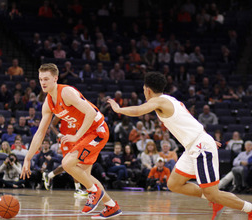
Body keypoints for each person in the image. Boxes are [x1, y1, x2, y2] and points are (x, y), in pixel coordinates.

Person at [108, 71, 252, 219]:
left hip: (200, 146)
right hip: (194, 145)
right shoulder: (169, 99)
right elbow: (189, 119)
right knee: (174, 184)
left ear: (148, 89)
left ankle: (249, 209)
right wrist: (205, 136)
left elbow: (138, 110)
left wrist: (118, 109)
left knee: (213, 193)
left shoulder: (158, 101)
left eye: (144, 89)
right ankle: (214, 200)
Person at [20, 63, 122, 219]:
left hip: (98, 131)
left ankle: (94, 191)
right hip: (86, 134)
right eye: (40, 79)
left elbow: (90, 112)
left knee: (67, 163)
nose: (43, 82)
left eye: (46, 79)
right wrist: (28, 158)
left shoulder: (66, 92)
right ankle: (111, 206)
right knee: (85, 176)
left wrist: (76, 136)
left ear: (55, 78)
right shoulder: (48, 103)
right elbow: (40, 132)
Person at [43, 116, 88, 197]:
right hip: (66, 140)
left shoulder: (77, 111)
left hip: (75, 139)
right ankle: (78, 189)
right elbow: (52, 125)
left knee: (71, 164)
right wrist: (59, 134)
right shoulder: (61, 112)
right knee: (72, 163)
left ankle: (49, 175)